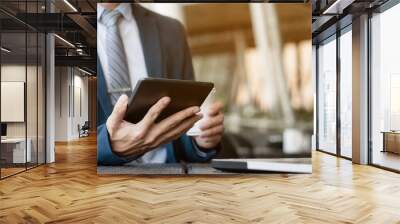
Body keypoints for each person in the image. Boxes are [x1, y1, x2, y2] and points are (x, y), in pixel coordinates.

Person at [97, 3, 224, 165]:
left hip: (165, 177)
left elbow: (181, 130)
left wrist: (200, 140)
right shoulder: (66, 26)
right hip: (98, 182)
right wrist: (106, 145)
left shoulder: (171, 30)